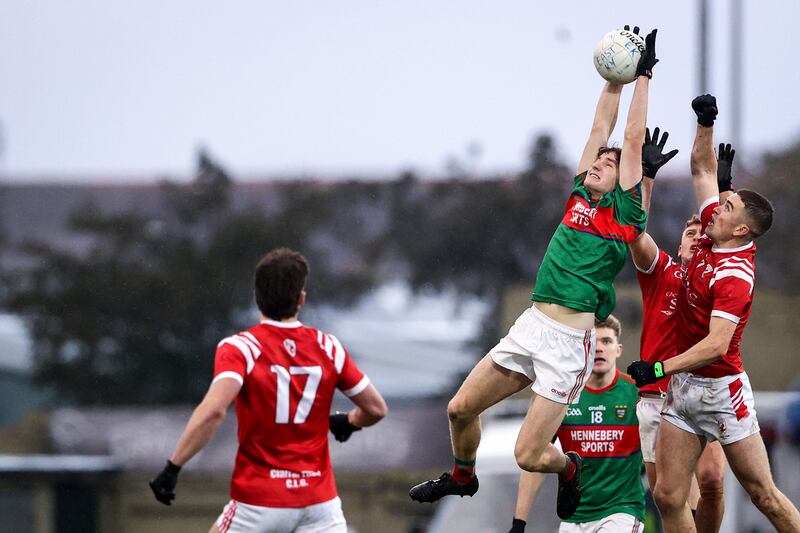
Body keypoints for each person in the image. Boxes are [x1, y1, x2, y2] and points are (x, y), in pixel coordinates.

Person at [410, 26, 658, 521]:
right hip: (531, 327)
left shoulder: (626, 216)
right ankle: (463, 476)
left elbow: (629, 138)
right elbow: (600, 127)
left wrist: (644, 74)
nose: (597, 164)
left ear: (621, 180)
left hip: (570, 344)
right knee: (459, 409)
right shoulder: (580, 196)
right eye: (596, 162)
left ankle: (568, 469)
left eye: (608, 166)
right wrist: (615, 77)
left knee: (528, 454)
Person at [627, 95, 800, 532]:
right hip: (684, 391)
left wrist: (659, 367)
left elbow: (716, 344)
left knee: (764, 496)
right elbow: (702, 169)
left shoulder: (735, 276)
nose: (718, 204)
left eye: (728, 207)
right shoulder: (710, 230)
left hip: (722, 394)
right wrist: (706, 122)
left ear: (741, 229)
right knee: (667, 495)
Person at [148, 248, 388, 533]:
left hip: (259, 503)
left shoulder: (241, 348)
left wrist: (173, 467)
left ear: (256, 296)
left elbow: (213, 411)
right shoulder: (328, 346)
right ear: (301, 299)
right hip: (320, 505)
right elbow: (376, 409)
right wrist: (348, 421)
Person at [629, 128, 729, 532]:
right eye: (690, 233)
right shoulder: (662, 273)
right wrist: (646, 177)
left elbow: (731, 235)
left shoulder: (717, 278)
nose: (697, 237)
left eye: (703, 234)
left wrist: (723, 193)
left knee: (712, 482)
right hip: (656, 397)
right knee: (669, 498)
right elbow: (633, 232)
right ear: (679, 245)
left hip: (703, 389)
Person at [508, 316, 646, 533]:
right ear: (583, 348)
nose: (600, 348)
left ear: (618, 349)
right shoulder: (561, 395)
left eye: (607, 341)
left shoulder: (636, 394)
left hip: (621, 512)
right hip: (573, 518)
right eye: (594, 342)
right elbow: (535, 459)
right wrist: (519, 523)